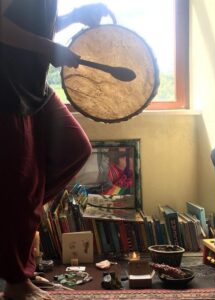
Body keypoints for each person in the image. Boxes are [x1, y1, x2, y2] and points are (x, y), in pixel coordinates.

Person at [0, 1, 114, 299]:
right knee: (21, 189)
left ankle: (15, 236)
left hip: (33, 88)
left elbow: (29, 23)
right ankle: (15, 282)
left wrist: (74, 17)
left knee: (75, 148)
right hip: (6, 89)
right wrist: (48, 47)